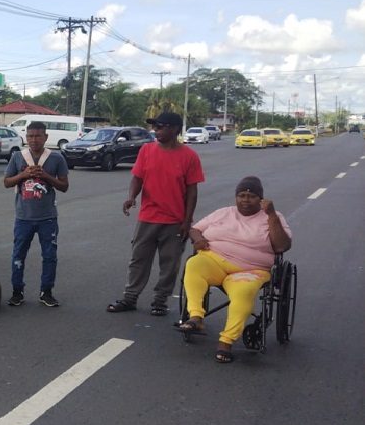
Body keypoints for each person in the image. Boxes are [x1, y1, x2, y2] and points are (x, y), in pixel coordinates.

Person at [179, 176, 292, 363]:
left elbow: (282, 246)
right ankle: (196, 317)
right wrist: (197, 238)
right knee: (193, 264)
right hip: (213, 259)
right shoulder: (224, 212)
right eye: (241, 195)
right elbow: (195, 228)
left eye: (252, 196)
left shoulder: (273, 217)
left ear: (261, 199)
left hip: (250, 269)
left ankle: (226, 341)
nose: (245, 200)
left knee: (243, 293)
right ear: (235, 197)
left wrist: (271, 215)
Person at [107, 112, 205, 316]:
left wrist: (187, 221)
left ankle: (160, 301)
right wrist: (132, 197)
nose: (156, 131)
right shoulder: (147, 150)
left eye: (161, 127)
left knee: (169, 264)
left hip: (175, 221)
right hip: (148, 218)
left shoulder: (189, 156)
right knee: (138, 260)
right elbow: (137, 178)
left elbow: (192, 192)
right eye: (155, 127)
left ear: (175, 129)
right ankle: (130, 297)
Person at [3, 121, 69, 307]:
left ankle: (46, 292)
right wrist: (23, 175)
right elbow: (7, 182)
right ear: (26, 137)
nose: (34, 140)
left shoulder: (56, 158)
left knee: (49, 256)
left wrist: (46, 176)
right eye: (30, 136)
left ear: (46, 137)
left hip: (47, 217)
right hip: (23, 217)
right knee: (18, 255)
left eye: (38, 136)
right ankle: (17, 292)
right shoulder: (18, 156)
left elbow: (64, 186)